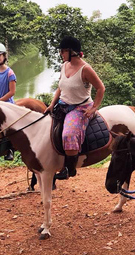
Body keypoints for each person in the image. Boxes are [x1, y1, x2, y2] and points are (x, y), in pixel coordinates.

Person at [45, 36, 105, 180]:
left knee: (68, 135)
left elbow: (101, 88)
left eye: (63, 51)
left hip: (80, 108)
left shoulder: (86, 69)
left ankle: (69, 168)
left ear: (72, 52)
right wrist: (52, 104)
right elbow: (60, 87)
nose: (61, 54)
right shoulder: (64, 65)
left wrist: (94, 108)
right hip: (62, 105)